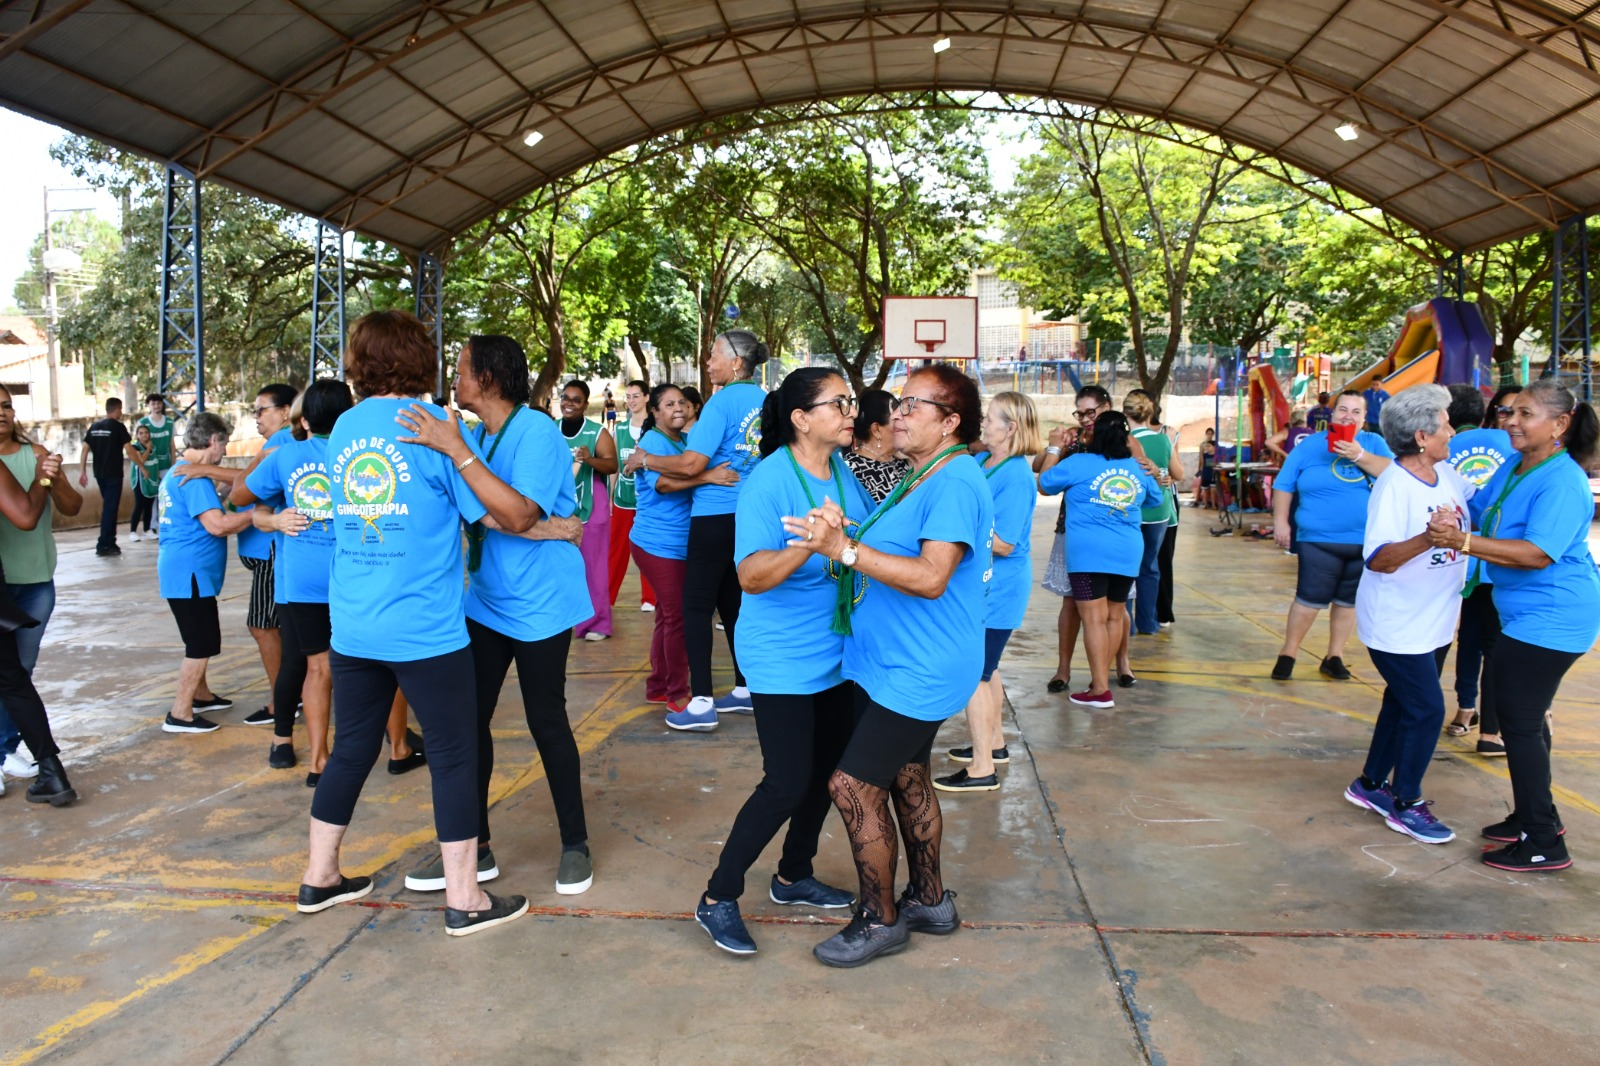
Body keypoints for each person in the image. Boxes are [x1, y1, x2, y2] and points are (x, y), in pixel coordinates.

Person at [297, 309, 531, 935]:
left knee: (352, 749)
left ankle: (320, 876)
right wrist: (461, 452)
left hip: (354, 623)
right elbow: (494, 513)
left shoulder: (345, 428)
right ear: (417, 358)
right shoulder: (434, 427)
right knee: (454, 755)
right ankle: (465, 898)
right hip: (424, 628)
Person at [782, 365, 991, 968]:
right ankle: (929, 900)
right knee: (907, 777)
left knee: (852, 785)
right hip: (897, 661)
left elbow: (931, 577)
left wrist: (843, 549)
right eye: (899, 403)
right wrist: (850, 533)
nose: (897, 414)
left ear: (950, 422)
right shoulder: (922, 473)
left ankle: (879, 919)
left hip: (919, 668)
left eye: (914, 406)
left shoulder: (954, 482)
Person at [396, 334, 596, 898]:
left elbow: (516, 512)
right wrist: (553, 527)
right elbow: (481, 514)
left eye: (461, 369)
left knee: (545, 719)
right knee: (465, 723)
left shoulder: (534, 431)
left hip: (539, 601)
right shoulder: (478, 435)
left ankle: (575, 843)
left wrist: (536, 523)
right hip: (485, 600)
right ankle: (473, 848)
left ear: (486, 378)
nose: (453, 379)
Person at [693, 368, 871, 955]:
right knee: (786, 783)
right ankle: (718, 895)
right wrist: (807, 546)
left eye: (850, 401)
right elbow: (750, 575)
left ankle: (793, 875)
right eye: (838, 403)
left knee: (827, 774)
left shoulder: (840, 470)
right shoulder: (768, 482)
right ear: (801, 418)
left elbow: (862, 535)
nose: (850, 411)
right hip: (781, 655)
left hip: (835, 651)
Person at [1424, 380, 1600, 872]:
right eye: (1508, 413)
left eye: (1525, 414)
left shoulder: (1562, 481)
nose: (1512, 422)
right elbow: (1483, 510)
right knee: (1524, 716)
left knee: (1518, 723)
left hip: (1554, 614)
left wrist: (1461, 542)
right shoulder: (1517, 465)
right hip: (1524, 613)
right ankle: (1535, 816)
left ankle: (1542, 841)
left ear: (1560, 424)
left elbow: (1537, 553)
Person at [1343, 385, 1471, 845]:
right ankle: (1406, 801)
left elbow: (1487, 495)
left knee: (1401, 702)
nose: (1452, 432)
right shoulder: (1395, 487)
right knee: (1427, 709)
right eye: (1445, 424)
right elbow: (1378, 558)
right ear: (1422, 436)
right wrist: (1427, 539)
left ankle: (1370, 784)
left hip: (1435, 618)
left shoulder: (1447, 474)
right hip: (1397, 623)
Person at [622, 331, 768, 731]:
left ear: (736, 362)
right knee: (733, 604)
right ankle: (745, 688)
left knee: (696, 607)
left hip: (713, 517)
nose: (708, 361)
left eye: (714, 354)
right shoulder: (765, 401)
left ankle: (701, 702)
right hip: (748, 516)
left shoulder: (721, 403)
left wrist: (645, 459)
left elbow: (689, 464)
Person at [234, 380, 353, 777]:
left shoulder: (287, 455)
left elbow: (239, 496)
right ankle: (384, 744)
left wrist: (264, 469)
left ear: (303, 419)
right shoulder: (359, 454)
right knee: (363, 662)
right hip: (353, 573)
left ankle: (315, 756)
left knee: (310, 665)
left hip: (302, 579)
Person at [937, 391, 1041, 792]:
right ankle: (993, 745)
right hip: (982, 586)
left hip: (1000, 588)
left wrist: (956, 532)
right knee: (988, 668)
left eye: (990, 418)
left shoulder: (1016, 476)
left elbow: (1005, 543)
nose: (983, 423)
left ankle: (982, 769)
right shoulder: (984, 461)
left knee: (975, 674)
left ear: (1010, 428)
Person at [1038, 410, 1163, 708]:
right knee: (1114, 616)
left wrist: (1054, 448)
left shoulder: (1079, 463)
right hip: (1127, 552)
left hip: (1088, 554)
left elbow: (1044, 484)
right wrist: (1151, 471)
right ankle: (1100, 682)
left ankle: (1100, 691)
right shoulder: (1137, 467)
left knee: (1093, 619)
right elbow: (1155, 499)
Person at [1269, 390, 1393, 681]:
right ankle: (1288, 653)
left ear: (1364, 418)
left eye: (1356, 412)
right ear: (1332, 414)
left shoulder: (1374, 443)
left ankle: (1334, 655)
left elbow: (1395, 474)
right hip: (1318, 538)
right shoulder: (1310, 445)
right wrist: (1281, 522)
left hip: (1364, 539)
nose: (1348, 416)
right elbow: (1284, 484)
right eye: (1343, 410)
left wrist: (1359, 455)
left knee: (1348, 602)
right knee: (1309, 598)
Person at [630, 384, 739, 714]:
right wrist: (707, 478)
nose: (677, 407)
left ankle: (658, 685)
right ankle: (677, 693)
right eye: (668, 404)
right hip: (658, 544)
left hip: (679, 543)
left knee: (667, 616)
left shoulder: (685, 442)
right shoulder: (652, 442)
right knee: (678, 616)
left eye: (681, 402)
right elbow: (663, 485)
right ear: (654, 412)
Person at [0, 385, 82, 786]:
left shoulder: (35, 455)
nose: (1, 413)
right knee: (10, 676)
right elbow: (24, 515)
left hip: (33, 581)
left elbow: (72, 506)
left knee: (19, 672)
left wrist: (53, 479)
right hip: (2, 583)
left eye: (5, 405)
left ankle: (5, 747)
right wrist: (39, 483)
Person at [156, 412, 256, 734]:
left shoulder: (179, 472)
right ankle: (180, 713)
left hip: (181, 569)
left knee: (198, 636)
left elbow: (205, 511)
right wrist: (257, 515)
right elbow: (218, 525)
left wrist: (225, 494)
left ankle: (201, 696)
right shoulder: (195, 479)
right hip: (191, 572)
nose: (224, 451)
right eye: (224, 443)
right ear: (213, 440)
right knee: (201, 643)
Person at [1442, 384, 1516, 748]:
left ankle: (1466, 710)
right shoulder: (1517, 454)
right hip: (1498, 561)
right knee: (1492, 644)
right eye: (1508, 411)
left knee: (1470, 641)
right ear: (1488, 411)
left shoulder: (1444, 446)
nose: (1513, 420)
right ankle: (1490, 728)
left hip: (1463, 560)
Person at [1035, 385, 1110, 694]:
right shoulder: (1075, 440)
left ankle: (1113, 670)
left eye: (1091, 412)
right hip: (1073, 530)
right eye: (1080, 414)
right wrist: (1054, 447)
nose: (1085, 419)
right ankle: (1063, 670)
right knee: (1070, 602)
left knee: (1115, 608)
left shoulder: (1121, 439)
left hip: (1112, 532)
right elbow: (1039, 469)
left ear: (1106, 407)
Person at [558, 379, 618, 641]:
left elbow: (612, 465)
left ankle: (598, 623)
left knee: (593, 566)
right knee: (561, 566)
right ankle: (567, 618)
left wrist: (589, 459)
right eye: (565, 398)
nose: (569, 404)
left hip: (592, 503)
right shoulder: (551, 428)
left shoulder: (597, 432)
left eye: (576, 400)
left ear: (585, 404)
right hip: (559, 506)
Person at [1124, 390, 1182, 636]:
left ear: (1126, 413)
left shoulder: (1125, 441)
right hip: (1159, 512)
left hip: (1131, 510)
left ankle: (1125, 624)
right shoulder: (1163, 440)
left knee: (1126, 569)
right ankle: (1148, 622)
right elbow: (1179, 474)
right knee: (1150, 566)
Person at [608, 379, 656, 612]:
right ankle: (606, 597)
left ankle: (650, 597)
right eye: (628, 396)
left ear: (647, 397)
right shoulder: (619, 430)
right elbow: (615, 467)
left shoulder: (655, 429)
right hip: (623, 499)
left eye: (636, 396)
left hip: (648, 501)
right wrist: (610, 496)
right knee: (616, 549)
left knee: (648, 547)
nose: (631, 401)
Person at [79, 396, 136, 555]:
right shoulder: (118, 427)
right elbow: (129, 450)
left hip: (99, 474)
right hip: (113, 474)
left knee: (109, 507)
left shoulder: (95, 427)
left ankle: (109, 541)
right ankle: (104, 543)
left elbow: (84, 450)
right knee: (110, 509)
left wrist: (82, 471)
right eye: (120, 410)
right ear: (117, 410)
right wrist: (142, 467)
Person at [842, 389, 910, 504]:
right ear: (876, 430)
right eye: (896, 419)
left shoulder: (902, 459)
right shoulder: (852, 469)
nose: (904, 424)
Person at [135, 394, 176, 493]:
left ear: (162, 404)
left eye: (158, 403)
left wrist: (173, 464)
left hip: (165, 464)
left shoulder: (170, 422)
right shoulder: (142, 422)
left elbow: (172, 445)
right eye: (153, 404)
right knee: (150, 495)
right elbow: (137, 447)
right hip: (149, 466)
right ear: (148, 405)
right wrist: (142, 468)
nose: (156, 406)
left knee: (166, 493)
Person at [128, 423, 160, 540]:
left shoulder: (153, 446)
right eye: (141, 433)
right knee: (139, 504)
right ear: (137, 435)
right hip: (140, 479)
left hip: (151, 479)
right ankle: (132, 531)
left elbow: (155, 461)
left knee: (149, 505)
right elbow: (141, 460)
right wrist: (148, 448)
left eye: (146, 432)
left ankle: (147, 530)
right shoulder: (135, 446)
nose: (144, 435)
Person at [1193, 427, 1218, 509]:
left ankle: (1211, 503)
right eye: (1208, 433)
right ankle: (1197, 499)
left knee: (1212, 487)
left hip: (1212, 469)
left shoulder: (1214, 444)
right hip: (1205, 467)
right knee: (1202, 484)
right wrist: (1200, 467)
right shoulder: (1202, 444)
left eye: (1211, 434)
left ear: (1213, 434)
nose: (1209, 435)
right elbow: (1201, 456)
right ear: (1206, 434)